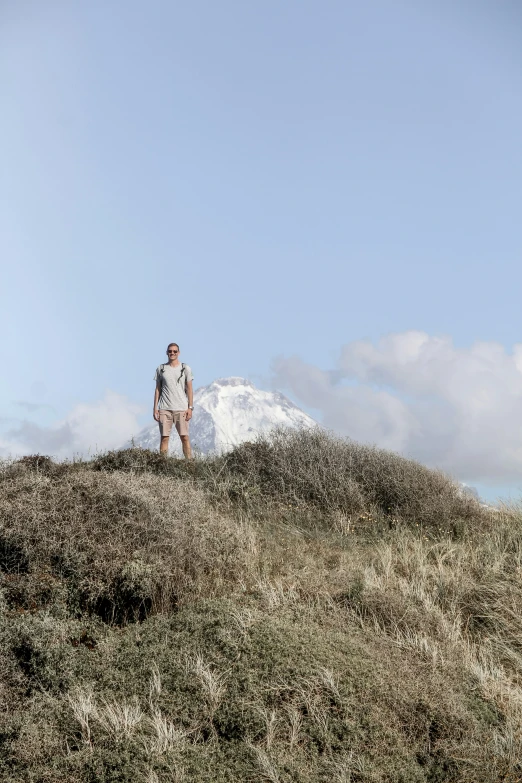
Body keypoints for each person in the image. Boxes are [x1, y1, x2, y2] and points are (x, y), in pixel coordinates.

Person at [153, 343, 194, 458]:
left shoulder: (185, 368)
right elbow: (157, 389)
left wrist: (190, 408)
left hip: (181, 408)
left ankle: (189, 463)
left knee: (184, 437)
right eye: (170, 351)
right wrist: (155, 408)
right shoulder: (161, 369)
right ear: (167, 352)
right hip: (164, 408)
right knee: (164, 438)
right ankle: (163, 464)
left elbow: (190, 389)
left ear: (178, 353)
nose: (172, 353)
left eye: (175, 351)